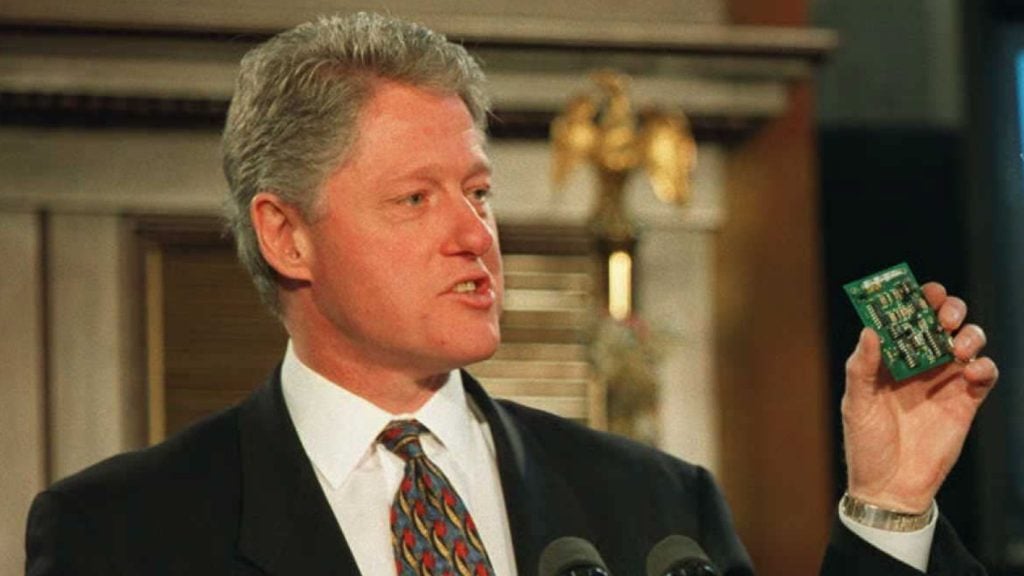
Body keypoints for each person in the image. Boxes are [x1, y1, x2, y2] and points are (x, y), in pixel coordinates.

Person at [25, 12, 997, 576]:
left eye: (479, 193)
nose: (474, 235)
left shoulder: (655, 512)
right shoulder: (121, 532)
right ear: (287, 234)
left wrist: (888, 504)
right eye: (416, 198)